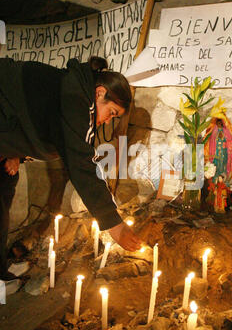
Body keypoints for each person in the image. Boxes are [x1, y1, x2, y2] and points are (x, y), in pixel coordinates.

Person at [0, 56, 142, 280]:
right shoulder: (76, 97)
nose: (107, 121)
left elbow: (31, 118)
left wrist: (15, 152)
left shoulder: (75, 92)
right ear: (99, 93)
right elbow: (82, 164)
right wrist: (115, 225)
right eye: (111, 113)